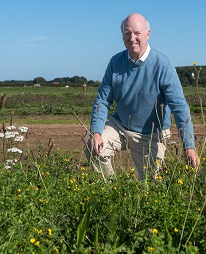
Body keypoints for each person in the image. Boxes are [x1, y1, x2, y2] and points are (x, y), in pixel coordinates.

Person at [85, 13, 199, 180]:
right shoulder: (115, 62)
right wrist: (96, 133)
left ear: (148, 34)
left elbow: (179, 107)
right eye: (127, 33)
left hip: (151, 134)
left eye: (137, 33)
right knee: (93, 148)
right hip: (121, 126)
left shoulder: (162, 65)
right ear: (122, 35)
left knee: (151, 185)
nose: (132, 38)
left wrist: (188, 146)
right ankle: (113, 193)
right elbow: (102, 100)